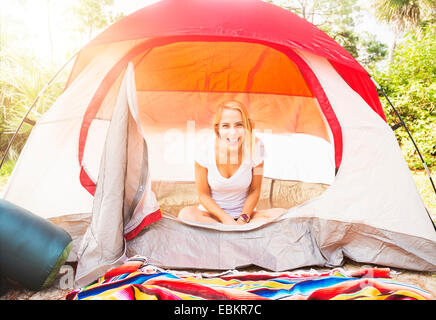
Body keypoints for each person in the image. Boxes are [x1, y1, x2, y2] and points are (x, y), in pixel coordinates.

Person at [178, 100, 286, 225]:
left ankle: (230, 232)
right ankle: (233, 231)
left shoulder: (257, 147)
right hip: (213, 217)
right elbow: (203, 195)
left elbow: (255, 190)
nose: (233, 132)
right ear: (217, 129)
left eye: (239, 125)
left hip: (246, 217)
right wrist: (226, 219)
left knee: (283, 215)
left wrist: (243, 219)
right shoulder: (204, 150)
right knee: (186, 214)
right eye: (226, 126)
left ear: (246, 127)